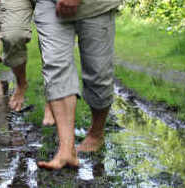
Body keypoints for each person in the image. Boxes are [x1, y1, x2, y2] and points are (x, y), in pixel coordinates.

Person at [34, 0, 122, 169]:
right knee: (55, 65)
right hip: (49, 4)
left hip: (96, 5)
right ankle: (66, 150)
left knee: (98, 75)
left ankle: (96, 133)